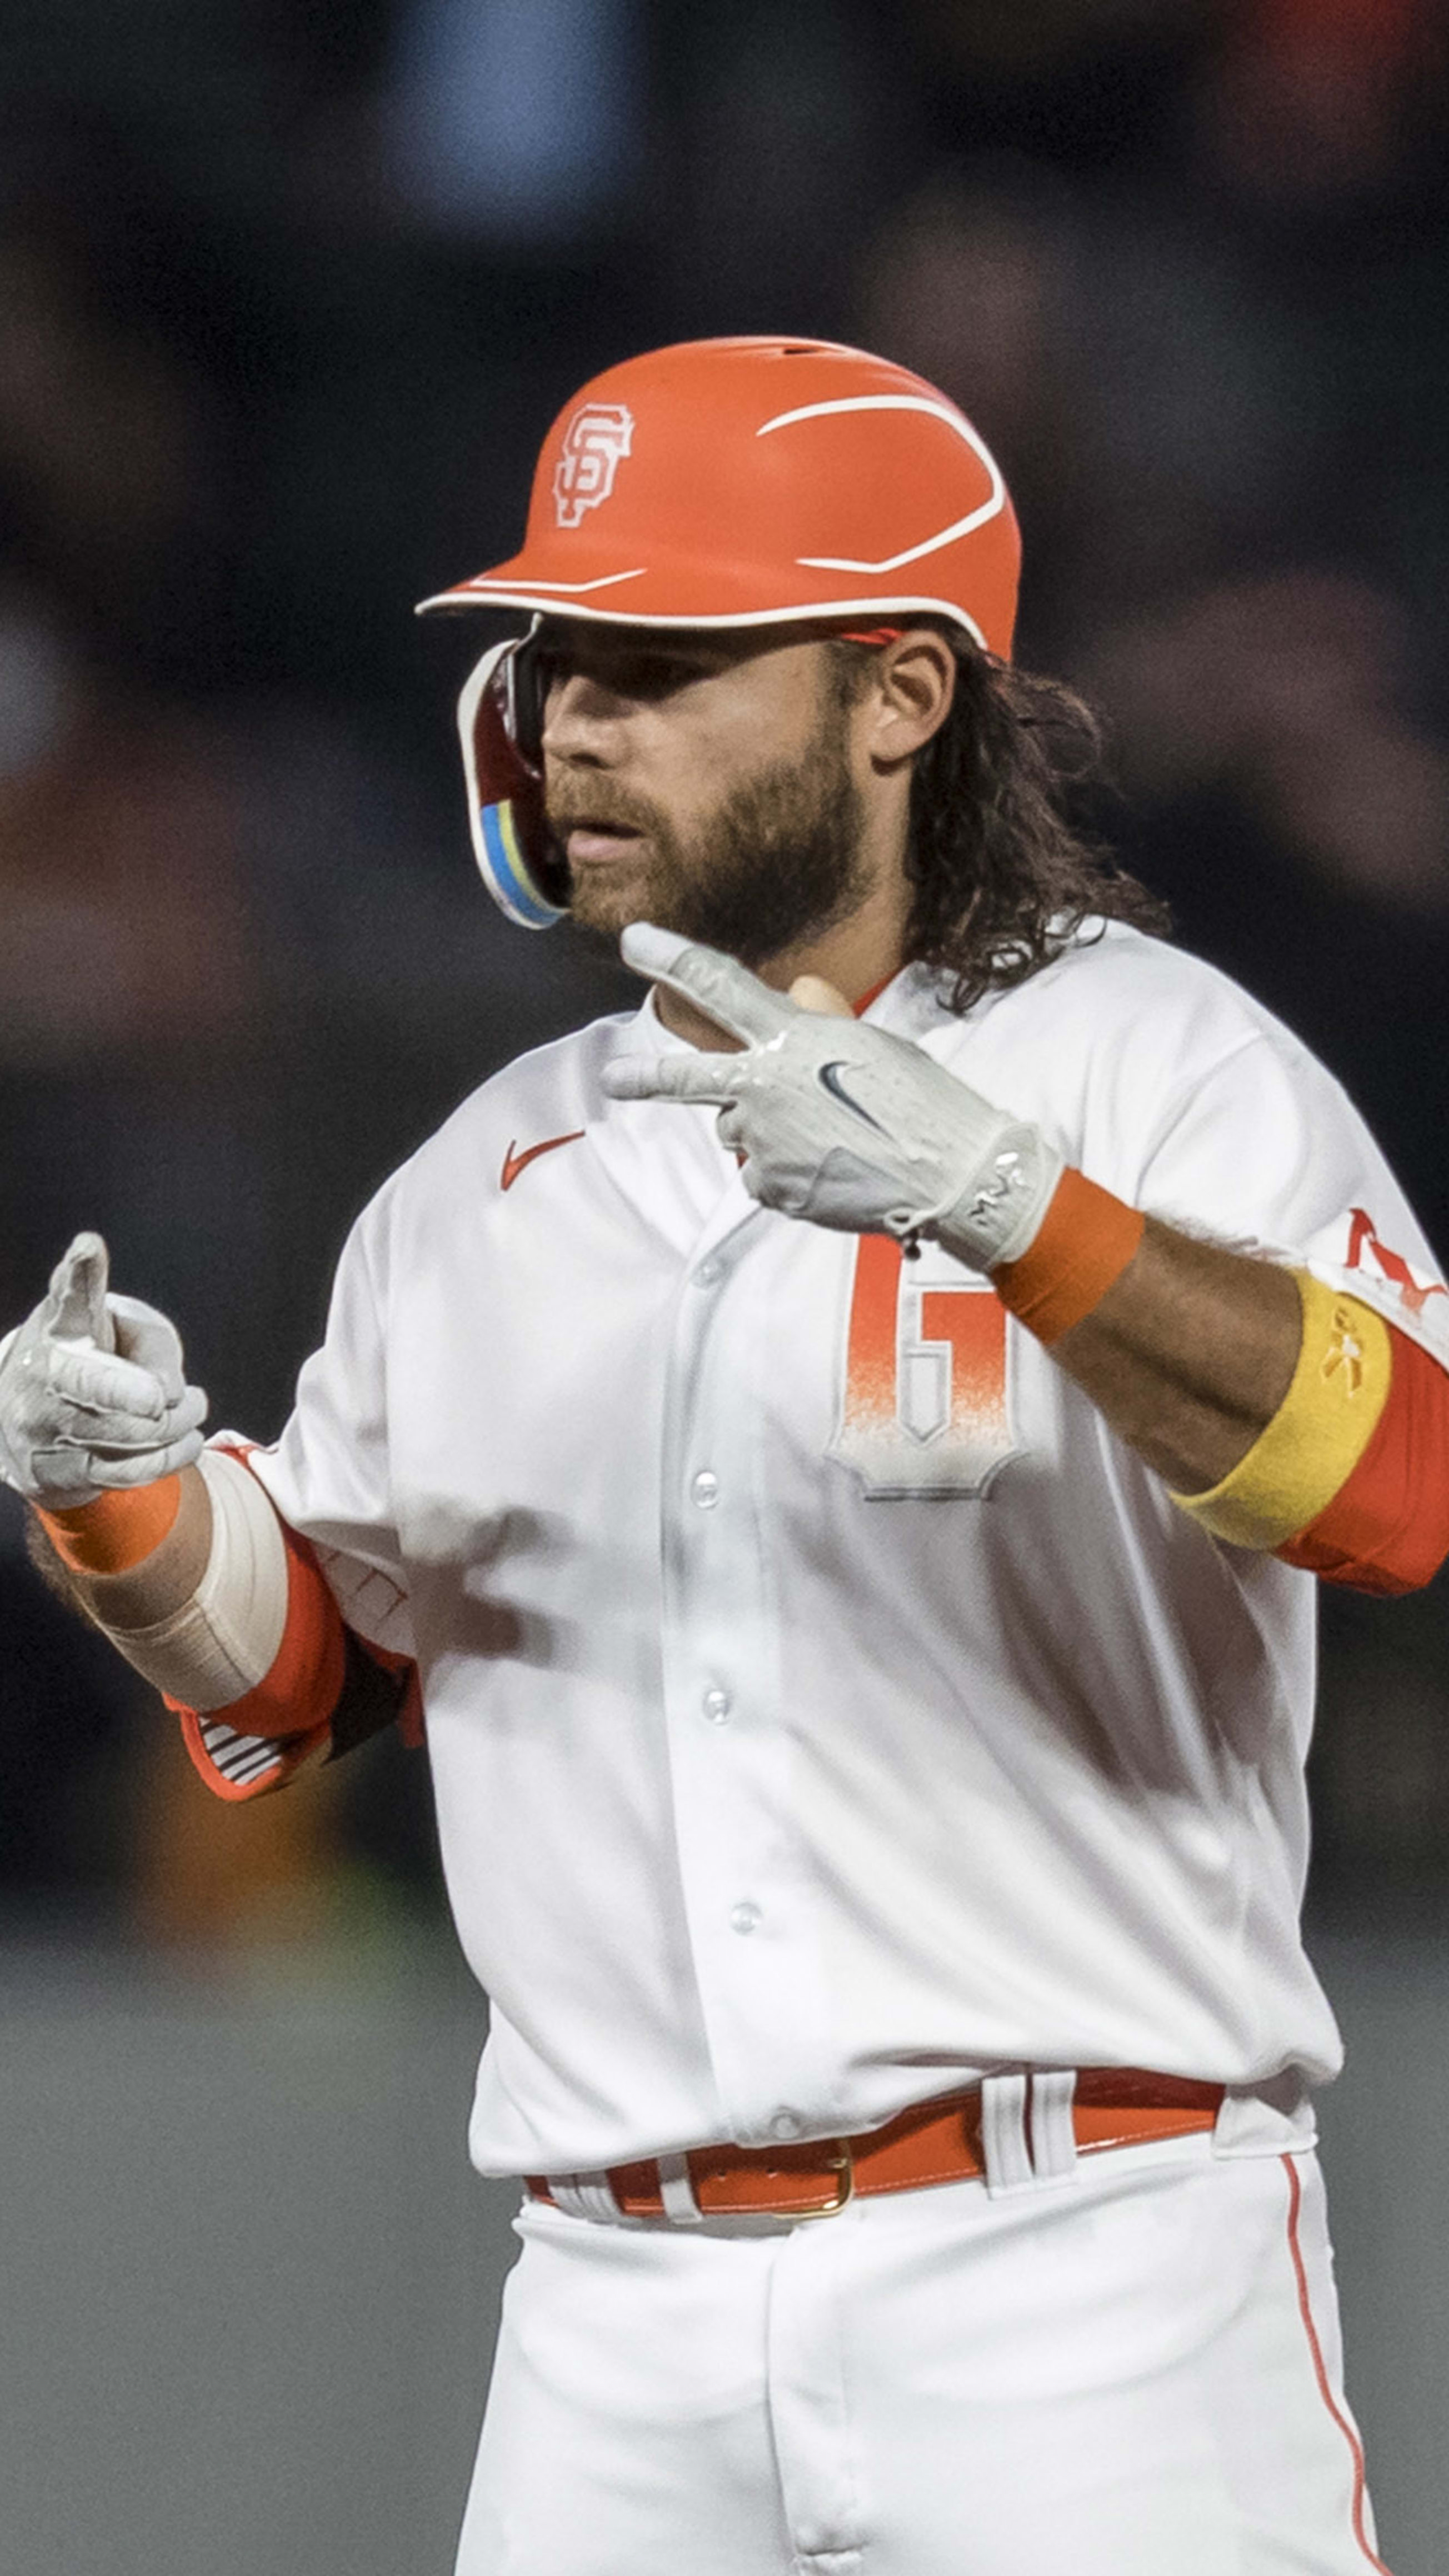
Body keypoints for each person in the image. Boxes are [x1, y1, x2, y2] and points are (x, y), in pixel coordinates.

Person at [3, 336, 1446, 2575]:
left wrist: (1014, 1210)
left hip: (1087, 2280)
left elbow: (1401, 1494)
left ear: (897, 694)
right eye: (559, 656)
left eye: (662, 659)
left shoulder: (1151, 1064)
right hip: (612, 2317)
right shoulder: (477, 1183)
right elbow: (312, 1677)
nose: (573, 718)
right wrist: (132, 1505)